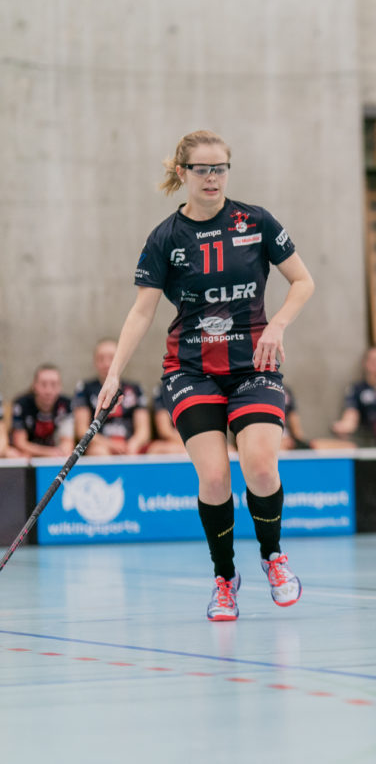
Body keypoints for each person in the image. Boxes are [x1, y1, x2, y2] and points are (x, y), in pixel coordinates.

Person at [95, 129, 314, 622]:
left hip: (253, 365)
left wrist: (278, 325)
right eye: (202, 169)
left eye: (220, 168)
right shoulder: (165, 238)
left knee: (261, 467)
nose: (212, 178)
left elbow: (303, 281)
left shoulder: (256, 222)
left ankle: (273, 557)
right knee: (214, 478)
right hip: (190, 369)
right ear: (183, 173)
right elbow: (142, 312)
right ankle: (224, 578)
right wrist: (114, 375)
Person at [73, 338, 151, 456]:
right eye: (101, 359)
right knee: (99, 452)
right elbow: (81, 430)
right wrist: (110, 445)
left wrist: (133, 444)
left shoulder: (135, 389)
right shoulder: (85, 388)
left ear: (121, 361)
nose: (106, 364)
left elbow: (143, 430)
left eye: (111, 358)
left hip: (130, 445)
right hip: (101, 445)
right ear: (94, 362)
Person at [10, 364, 74, 458]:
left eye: (53, 385)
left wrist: (61, 452)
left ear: (60, 387)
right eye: (43, 384)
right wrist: (49, 453)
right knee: (15, 455)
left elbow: (67, 443)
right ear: (34, 386)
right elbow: (20, 443)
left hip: (54, 455)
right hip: (29, 456)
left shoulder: (66, 405)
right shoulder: (21, 404)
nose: (48, 391)